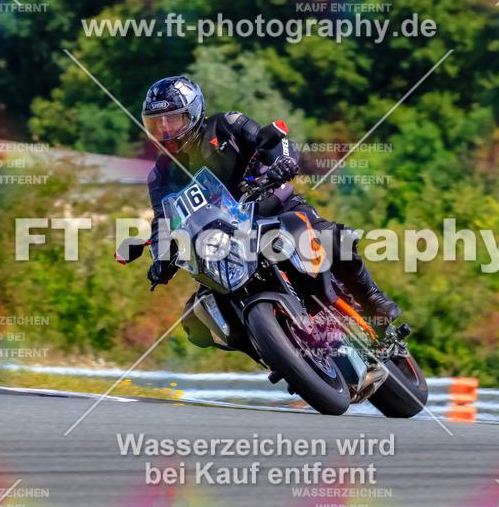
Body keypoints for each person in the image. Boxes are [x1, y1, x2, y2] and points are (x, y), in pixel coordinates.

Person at [141, 75, 399, 346]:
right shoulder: (160, 174)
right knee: (196, 321)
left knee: (336, 239)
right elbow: (164, 221)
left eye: (172, 120)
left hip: (272, 205)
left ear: (193, 113)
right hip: (221, 245)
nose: (166, 130)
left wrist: (283, 162)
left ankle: (373, 300)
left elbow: (275, 141)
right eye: (157, 124)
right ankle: (272, 350)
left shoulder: (226, 124)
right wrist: (161, 258)